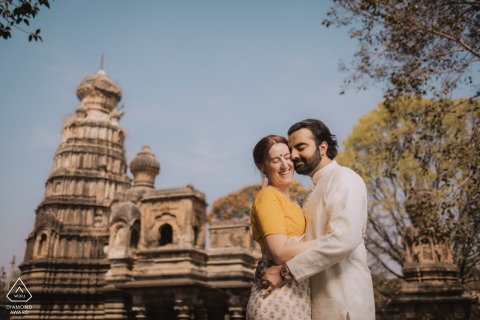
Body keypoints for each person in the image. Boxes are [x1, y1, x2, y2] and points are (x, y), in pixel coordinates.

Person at [262, 119, 375, 319]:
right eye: (291, 149)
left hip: (344, 302)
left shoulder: (345, 178)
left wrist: (285, 273)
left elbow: (344, 240)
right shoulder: (309, 196)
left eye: (301, 147)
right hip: (314, 305)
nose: (293, 155)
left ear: (323, 147)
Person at [246, 134, 317, 319]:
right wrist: (328, 241)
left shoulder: (291, 200)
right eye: (276, 160)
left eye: (287, 157)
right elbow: (279, 252)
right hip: (277, 299)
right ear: (262, 167)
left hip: (292, 295)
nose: (285, 165)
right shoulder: (268, 196)